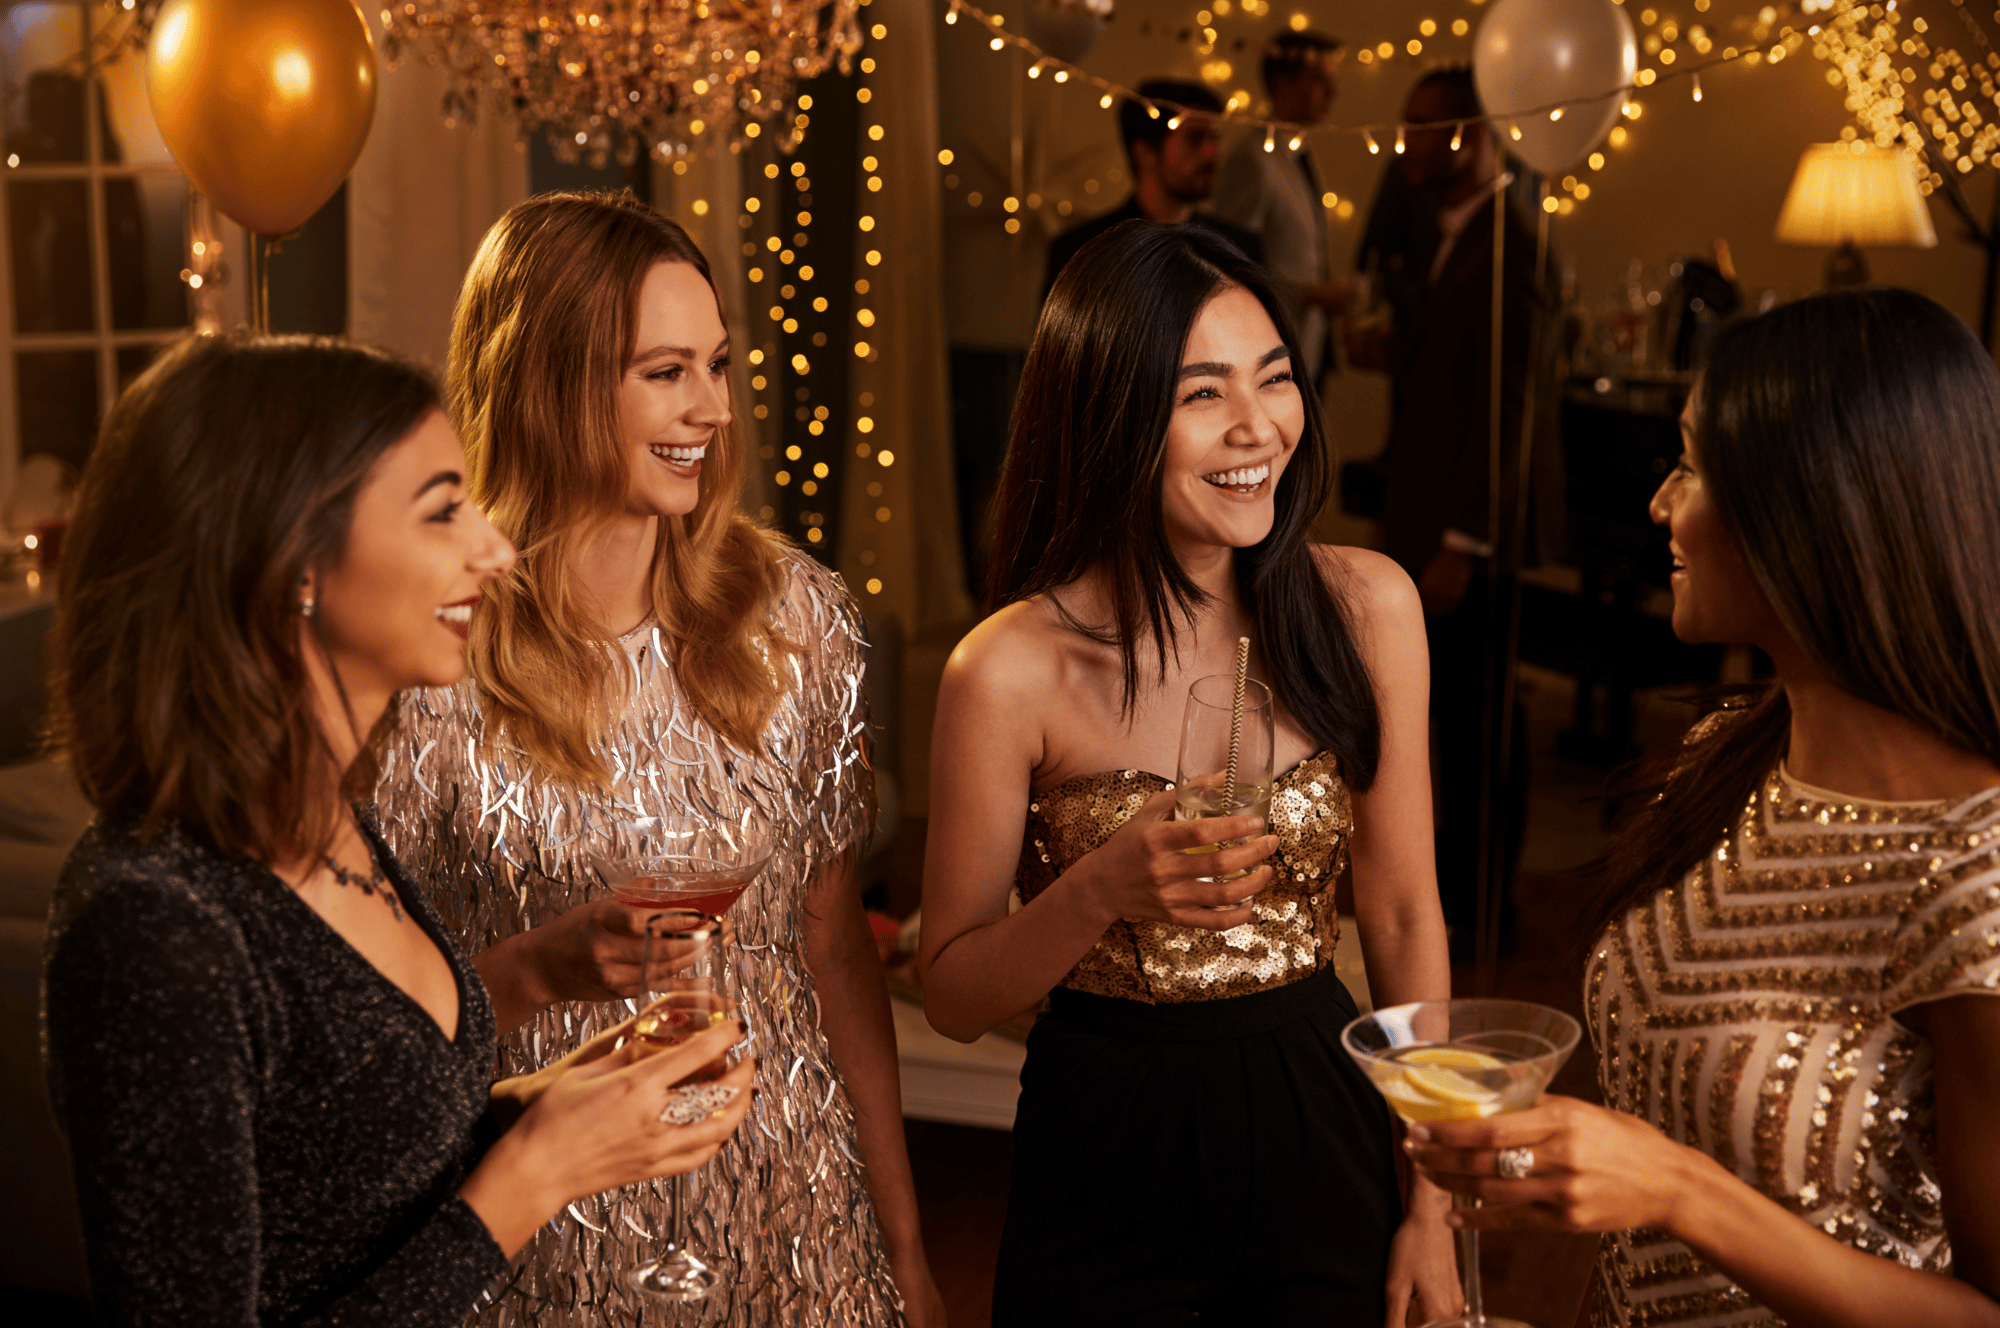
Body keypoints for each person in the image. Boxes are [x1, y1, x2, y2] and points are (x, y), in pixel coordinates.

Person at [41, 333, 754, 1327]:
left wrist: (555, 1104)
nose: (493, 548)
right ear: (291, 559)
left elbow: (352, 1174)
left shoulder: (331, 814)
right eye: (441, 511)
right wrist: (536, 1174)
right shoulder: (154, 927)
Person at [375, 190, 943, 1327]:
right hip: (545, 1235)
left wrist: (907, 1245)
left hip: (794, 1213)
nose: (715, 408)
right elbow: (377, 1016)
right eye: (666, 371)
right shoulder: (425, 654)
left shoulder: (800, 620)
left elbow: (832, 950)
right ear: (555, 381)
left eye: (720, 365)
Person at [1407, 288, 2000, 1327]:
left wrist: (1674, 1187)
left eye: (1687, 467)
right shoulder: (1720, 759)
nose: (1657, 505)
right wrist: (1568, 1161)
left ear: (1814, 509)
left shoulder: (1975, 880)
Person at [921, 220, 1459, 1326]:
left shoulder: (1365, 608)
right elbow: (952, 992)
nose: (1257, 426)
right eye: (1202, 394)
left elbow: (1403, 912)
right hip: (1100, 1142)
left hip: (1319, 1108)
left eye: (1273, 378)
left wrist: (1432, 1203)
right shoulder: (1007, 669)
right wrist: (1098, 889)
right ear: (1111, 416)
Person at [1370, 65, 1553, 957]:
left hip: (1463, 538)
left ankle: (1484, 906)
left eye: (1427, 126)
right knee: (1444, 717)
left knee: (1480, 722)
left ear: (1476, 135)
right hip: (1427, 518)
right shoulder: (1449, 234)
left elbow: (1507, 409)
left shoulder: (1513, 245)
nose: (1410, 142)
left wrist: (1463, 540)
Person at [1041, 78, 1261, 301]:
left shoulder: (1237, 250)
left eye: (1214, 138)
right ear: (1144, 152)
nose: (1212, 153)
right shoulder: (1084, 252)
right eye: (1195, 138)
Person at [1212, 28, 1348, 381]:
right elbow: (1231, 262)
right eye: (1319, 80)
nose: (1333, 92)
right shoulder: (1252, 159)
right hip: (1268, 352)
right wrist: (1312, 295)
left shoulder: (1303, 155)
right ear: (1282, 84)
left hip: (1307, 346)